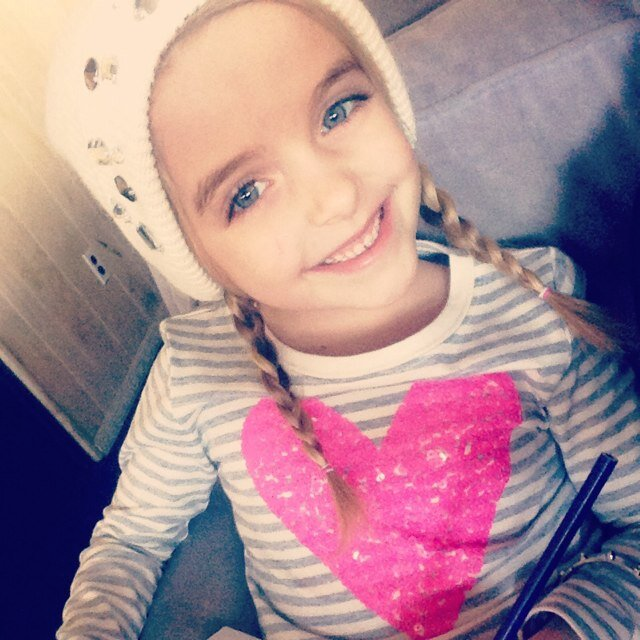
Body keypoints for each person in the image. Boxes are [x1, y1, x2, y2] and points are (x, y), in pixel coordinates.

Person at [46, 1, 639, 639]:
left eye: (338, 110)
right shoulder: (194, 370)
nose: (336, 196)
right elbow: (130, 543)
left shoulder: (533, 308)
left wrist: (565, 627)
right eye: (246, 193)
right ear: (194, 255)